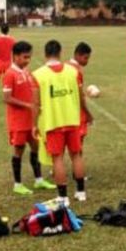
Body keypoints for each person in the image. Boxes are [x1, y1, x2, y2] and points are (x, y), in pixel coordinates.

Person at [32, 40, 85, 207]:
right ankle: (81, 192)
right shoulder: (73, 71)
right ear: (60, 52)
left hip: (53, 122)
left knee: (57, 158)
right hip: (72, 120)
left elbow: (36, 104)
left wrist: (34, 125)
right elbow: (82, 96)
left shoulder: (38, 75)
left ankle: (63, 197)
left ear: (45, 54)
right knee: (76, 155)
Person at [2, 41, 56, 195]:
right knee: (18, 151)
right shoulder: (9, 74)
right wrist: (28, 105)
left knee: (36, 147)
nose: (27, 60)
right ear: (16, 56)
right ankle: (17, 184)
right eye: (25, 57)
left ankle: (38, 180)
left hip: (31, 120)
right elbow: (6, 98)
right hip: (17, 122)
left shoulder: (25, 71)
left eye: (29, 57)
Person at [68, 42, 94, 201]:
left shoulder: (66, 65)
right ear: (78, 55)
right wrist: (88, 113)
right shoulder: (76, 70)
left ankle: (74, 172)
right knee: (77, 147)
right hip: (76, 113)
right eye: (86, 57)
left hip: (66, 112)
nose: (87, 61)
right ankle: (77, 174)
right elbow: (79, 96)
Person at [0, 23, 16, 100]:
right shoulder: (12, 40)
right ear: (8, 30)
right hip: (8, 63)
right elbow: (14, 53)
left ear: (1, 30)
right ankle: (11, 94)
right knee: (9, 79)